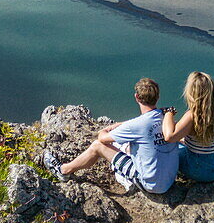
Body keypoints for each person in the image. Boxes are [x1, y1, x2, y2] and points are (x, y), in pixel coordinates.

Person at [44, 77, 179, 195]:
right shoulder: (167, 118)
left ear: (136, 97)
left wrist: (106, 129)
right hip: (169, 180)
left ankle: (63, 170)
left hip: (151, 184)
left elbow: (102, 139)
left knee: (97, 146)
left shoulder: (136, 125)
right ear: (158, 97)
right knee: (128, 145)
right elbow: (145, 125)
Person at [161, 70, 214, 182]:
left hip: (200, 172)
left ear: (191, 92)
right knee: (183, 142)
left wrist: (168, 112)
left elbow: (169, 137)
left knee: (168, 149)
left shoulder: (192, 115)